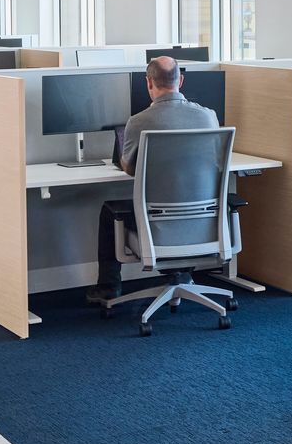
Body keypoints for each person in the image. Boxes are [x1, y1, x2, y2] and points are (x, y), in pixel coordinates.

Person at [93, 57, 221, 301]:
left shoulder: (139, 121)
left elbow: (130, 170)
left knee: (110, 211)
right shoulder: (209, 117)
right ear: (180, 81)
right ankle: (182, 273)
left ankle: (108, 287)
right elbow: (213, 161)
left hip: (156, 224)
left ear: (148, 83)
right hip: (201, 223)